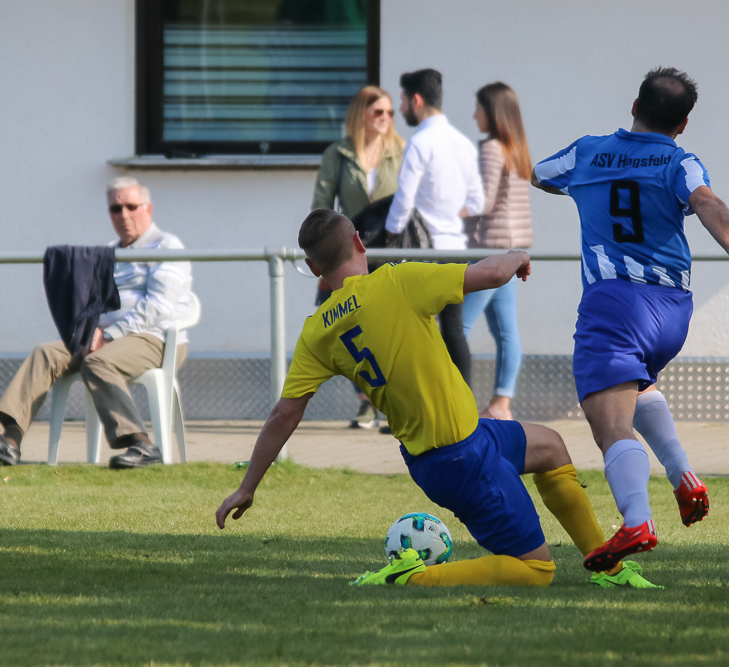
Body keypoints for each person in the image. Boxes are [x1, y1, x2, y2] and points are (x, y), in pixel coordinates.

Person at [215, 209, 657, 588]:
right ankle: (414, 577)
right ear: (357, 241)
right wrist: (516, 255)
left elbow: (283, 414)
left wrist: (247, 487)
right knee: (537, 570)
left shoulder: (316, 333)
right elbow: (488, 274)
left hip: (456, 444)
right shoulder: (397, 281)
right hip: (460, 458)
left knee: (551, 447)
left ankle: (607, 567)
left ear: (313, 268)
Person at [531, 67, 729, 571]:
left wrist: (585, 187)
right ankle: (683, 474)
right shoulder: (682, 160)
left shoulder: (587, 152)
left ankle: (637, 519)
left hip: (615, 303)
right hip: (673, 311)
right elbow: (705, 200)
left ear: (634, 106)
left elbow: (539, 175)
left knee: (608, 425)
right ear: (682, 125)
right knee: (637, 389)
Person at [0, 177, 195, 469]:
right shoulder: (108, 252)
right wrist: (88, 329)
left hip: (155, 338)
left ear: (148, 208)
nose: (124, 215)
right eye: (115, 208)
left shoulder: (167, 246)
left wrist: (110, 336)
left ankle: (141, 445)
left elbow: (159, 306)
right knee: (46, 352)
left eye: (131, 206)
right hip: (103, 336)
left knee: (97, 363)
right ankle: (9, 440)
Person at [312, 85, 407, 430]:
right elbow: (321, 207)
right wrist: (323, 259)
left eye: (390, 113)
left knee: (389, 330)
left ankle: (394, 404)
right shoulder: (336, 154)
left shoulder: (401, 151)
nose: (385, 119)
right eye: (377, 112)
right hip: (349, 253)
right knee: (345, 325)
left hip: (390, 252)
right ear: (360, 115)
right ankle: (365, 401)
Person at [384, 69, 485, 385]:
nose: (400, 109)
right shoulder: (463, 144)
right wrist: (450, 216)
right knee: (454, 330)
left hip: (422, 252)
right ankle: (463, 407)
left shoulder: (419, 143)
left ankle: (421, 407)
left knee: (414, 328)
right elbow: (478, 203)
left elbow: (404, 199)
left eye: (401, 101)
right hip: (455, 250)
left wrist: (389, 233)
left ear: (416, 100)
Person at [463, 82, 533, 421]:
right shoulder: (517, 147)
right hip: (511, 246)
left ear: (491, 112)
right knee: (506, 331)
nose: (473, 115)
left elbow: (484, 201)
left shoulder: (492, 148)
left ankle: (451, 401)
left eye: (477, 108)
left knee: (457, 326)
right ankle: (501, 405)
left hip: (490, 249)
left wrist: (453, 210)